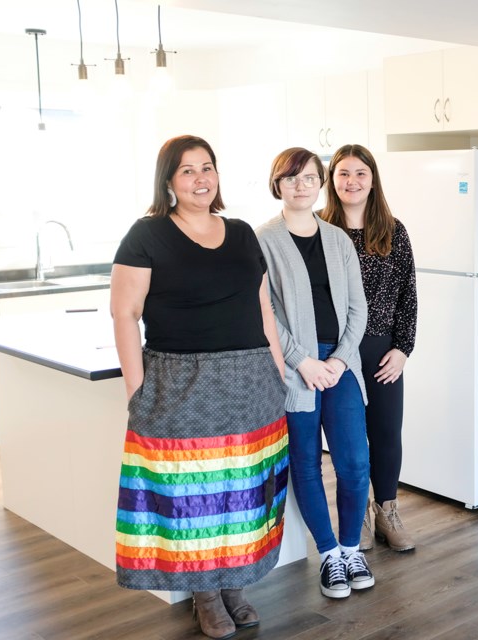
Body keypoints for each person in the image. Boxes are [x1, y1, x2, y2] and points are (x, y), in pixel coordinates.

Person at [110, 135, 289, 640]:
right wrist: (136, 392)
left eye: (207, 168)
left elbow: (264, 311)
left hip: (251, 383)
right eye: (187, 171)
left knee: (242, 495)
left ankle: (234, 586)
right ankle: (205, 594)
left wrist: (277, 373)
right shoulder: (146, 236)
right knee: (193, 500)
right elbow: (125, 314)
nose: (200, 179)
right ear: (168, 181)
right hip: (181, 384)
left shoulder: (241, 233)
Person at [255, 147, 374, 600]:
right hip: (294, 367)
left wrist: (340, 360)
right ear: (277, 185)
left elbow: (356, 308)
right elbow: (264, 310)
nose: (301, 185)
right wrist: (302, 360)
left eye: (309, 177)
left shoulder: (338, 239)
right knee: (305, 463)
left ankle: (350, 548)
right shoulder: (262, 239)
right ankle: (328, 556)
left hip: (341, 364)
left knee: (354, 461)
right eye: (292, 178)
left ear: (319, 183)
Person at [321, 144, 418, 552]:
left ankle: (387, 513)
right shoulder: (319, 230)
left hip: (381, 350)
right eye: (343, 173)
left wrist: (402, 349)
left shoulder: (394, 231)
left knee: (385, 434)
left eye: (360, 173)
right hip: (336, 351)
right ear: (332, 181)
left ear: (372, 179)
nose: (352, 181)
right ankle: (357, 515)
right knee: (349, 439)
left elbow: (408, 295)